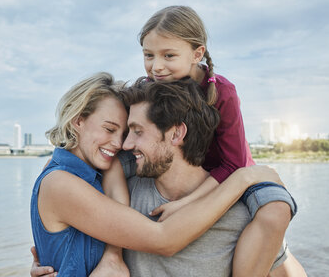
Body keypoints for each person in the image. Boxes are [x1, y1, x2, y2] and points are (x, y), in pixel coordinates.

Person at [30, 72, 285, 277]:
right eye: (110, 129)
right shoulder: (63, 182)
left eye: (132, 132)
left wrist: (110, 255)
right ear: (78, 121)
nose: (122, 144)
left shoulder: (102, 177)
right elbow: (163, 239)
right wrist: (242, 177)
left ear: (177, 134)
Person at [114, 5, 298, 276]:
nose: (157, 66)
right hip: (187, 165)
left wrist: (186, 203)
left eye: (169, 55)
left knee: (275, 210)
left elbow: (234, 163)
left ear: (197, 53)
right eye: (148, 55)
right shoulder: (156, 85)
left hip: (236, 170)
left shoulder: (222, 91)